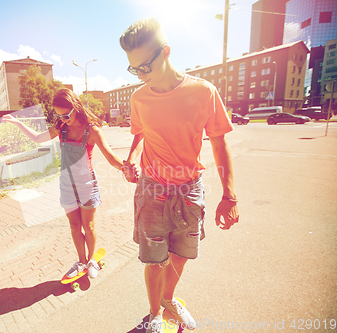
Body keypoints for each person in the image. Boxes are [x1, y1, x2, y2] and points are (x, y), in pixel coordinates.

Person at [119, 18, 240, 332]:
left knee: (181, 255)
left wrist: (229, 195)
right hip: (152, 191)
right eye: (135, 69)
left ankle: (169, 300)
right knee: (154, 259)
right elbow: (140, 132)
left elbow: (219, 141)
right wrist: (131, 158)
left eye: (146, 66)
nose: (142, 75)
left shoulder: (203, 92)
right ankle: (154, 315)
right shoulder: (139, 99)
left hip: (189, 191)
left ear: (166, 52)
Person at [3, 88, 134, 279]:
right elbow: (38, 139)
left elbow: (111, 157)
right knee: (74, 226)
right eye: (58, 116)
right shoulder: (61, 128)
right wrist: (17, 123)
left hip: (86, 184)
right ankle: (81, 261)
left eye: (65, 115)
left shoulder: (92, 130)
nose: (62, 120)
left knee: (88, 226)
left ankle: (91, 260)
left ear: (75, 107)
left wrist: (126, 166)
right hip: (66, 185)